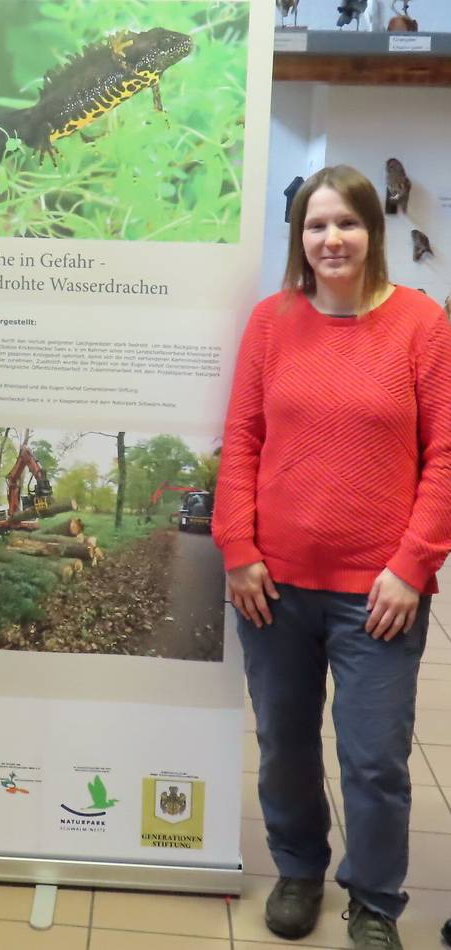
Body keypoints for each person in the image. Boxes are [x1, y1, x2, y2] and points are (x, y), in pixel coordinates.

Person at [213, 165, 451, 950]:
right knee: (285, 743)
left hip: (378, 592)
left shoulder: (421, 324)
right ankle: (299, 870)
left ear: (372, 234)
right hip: (273, 587)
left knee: (374, 758)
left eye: (346, 223)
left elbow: (445, 455)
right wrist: (239, 548)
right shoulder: (272, 322)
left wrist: (413, 565)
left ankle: (375, 901)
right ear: (299, 239)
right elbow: (243, 439)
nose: (331, 238)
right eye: (316, 226)